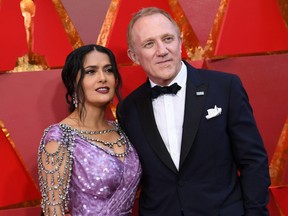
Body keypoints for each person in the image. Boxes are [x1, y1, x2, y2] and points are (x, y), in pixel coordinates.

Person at [116, 7, 270, 216]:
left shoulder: (225, 88)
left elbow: (253, 161)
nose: (162, 50)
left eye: (168, 39)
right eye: (149, 44)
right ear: (134, 55)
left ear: (180, 42)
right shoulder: (128, 109)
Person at [38, 44, 141, 216]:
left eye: (108, 70)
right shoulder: (60, 137)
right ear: (73, 82)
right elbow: (53, 212)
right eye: (91, 72)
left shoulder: (121, 129)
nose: (103, 78)